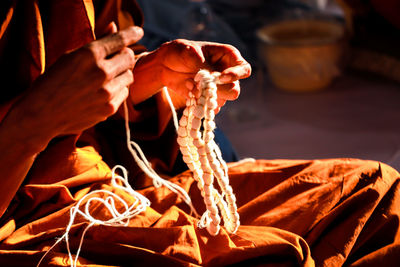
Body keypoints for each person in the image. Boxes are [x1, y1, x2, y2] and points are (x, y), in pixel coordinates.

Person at [0, 1, 399, 266]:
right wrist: (30, 126)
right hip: (26, 228)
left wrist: (150, 76)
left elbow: (67, 89)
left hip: (98, 182)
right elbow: (37, 112)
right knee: (277, 256)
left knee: (376, 193)